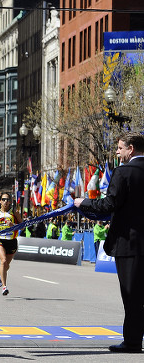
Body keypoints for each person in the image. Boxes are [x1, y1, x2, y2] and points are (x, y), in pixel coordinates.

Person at [74, 132, 144, 353]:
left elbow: (108, 205)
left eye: (120, 148)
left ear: (130, 149)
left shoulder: (124, 172)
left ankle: (132, 342)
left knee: (132, 296)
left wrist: (82, 202)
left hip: (129, 244)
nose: (117, 152)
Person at [0, 193, 22, 296]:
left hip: (12, 241)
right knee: (4, 261)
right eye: (3, 199)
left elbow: (22, 226)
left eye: (7, 199)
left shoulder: (14, 213)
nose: (5, 201)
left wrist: (13, 225)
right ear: (0, 201)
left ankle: (0, 277)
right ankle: (4, 287)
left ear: (10, 201)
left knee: (7, 265)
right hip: (0, 240)